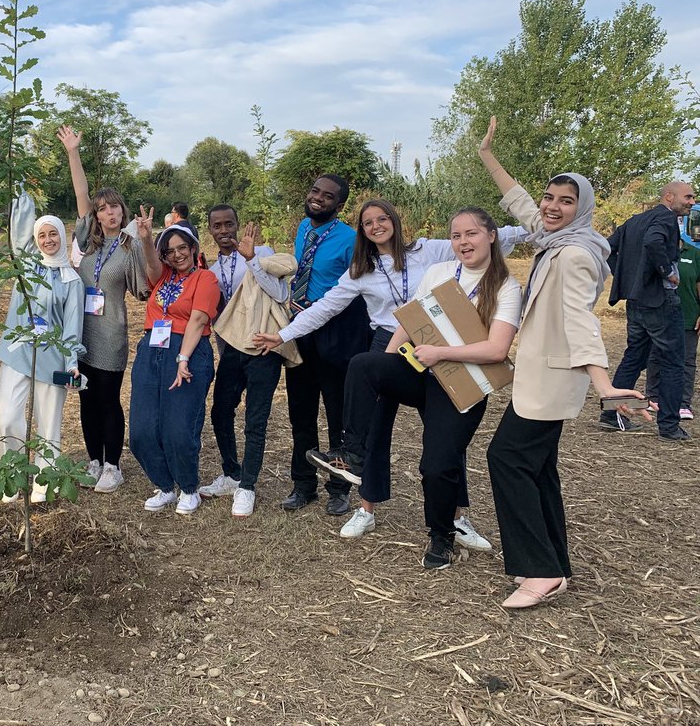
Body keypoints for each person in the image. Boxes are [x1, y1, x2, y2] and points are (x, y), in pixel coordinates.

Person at [254, 198, 527, 547]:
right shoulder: (361, 270)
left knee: (445, 437)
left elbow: (487, 237)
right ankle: (366, 509)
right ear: (362, 232)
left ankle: (457, 518)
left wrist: (541, 228)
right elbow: (324, 308)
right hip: (387, 340)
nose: (377, 226)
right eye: (368, 223)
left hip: (440, 338)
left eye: (382, 218)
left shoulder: (428, 253)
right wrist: (283, 334)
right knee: (374, 430)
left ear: (395, 221)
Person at [478, 116, 646, 609]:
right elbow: (521, 203)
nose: (551, 207)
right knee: (537, 467)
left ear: (582, 209)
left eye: (564, 201)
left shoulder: (574, 255)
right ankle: (554, 564)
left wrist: (605, 384)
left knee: (506, 459)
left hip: (551, 382)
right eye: (550, 198)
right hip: (542, 378)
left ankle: (540, 571)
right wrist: (489, 156)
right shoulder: (555, 237)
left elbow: (580, 322)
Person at [58, 126, 148, 493]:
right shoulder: (87, 241)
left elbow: (144, 287)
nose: (109, 212)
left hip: (110, 334)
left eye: (114, 207)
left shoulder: (130, 247)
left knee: (109, 400)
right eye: (102, 208)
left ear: (122, 211)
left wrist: (147, 240)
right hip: (80, 335)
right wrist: (72, 153)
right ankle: (94, 460)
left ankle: (114, 465)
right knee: (86, 398)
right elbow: (81, 196)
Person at [279, 175, 370, 515]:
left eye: (328, 196)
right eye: (316, 191)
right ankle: (303, 485)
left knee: (336, 413)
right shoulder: (304, 227)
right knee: (300, 412)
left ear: (339, 205)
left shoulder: (351, 239)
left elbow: (356, 289)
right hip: (301, 330)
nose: (318, 198)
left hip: (336, 333)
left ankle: (339, 487)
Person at [202, 215, 299, 518]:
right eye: (217, 226)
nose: (224, 231)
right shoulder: (212, 270)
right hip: (231, 349)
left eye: (229, 224)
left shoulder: (264, 253)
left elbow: (282, 294)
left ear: (237, 224)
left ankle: (248, 485)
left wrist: (252, 260)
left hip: (262, 348)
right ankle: (232, 473)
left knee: (255, 420)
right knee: (220, 412)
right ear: (210, 231)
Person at [0, 194, 86, 502]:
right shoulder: (27, 266)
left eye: (53, 233)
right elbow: (18, 237)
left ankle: (44, 485)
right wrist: (20, 198)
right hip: (19, 350)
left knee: (49, 424)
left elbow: (73, 326)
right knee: (6, 414)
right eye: (42, 235)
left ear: (63, 235)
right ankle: (14, 475)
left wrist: (72, 361)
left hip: (54, 358)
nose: (48, 240)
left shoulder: (72, 280)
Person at [129, 213, 221, 515]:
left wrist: (183, 358)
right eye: (170, 250)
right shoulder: (163, 276)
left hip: (188, 351)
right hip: (151, 349)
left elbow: (198, 320)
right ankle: (166, 486)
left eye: (182, 247)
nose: (177, 254)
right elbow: (152, 266)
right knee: (141, 431)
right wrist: (145, 239)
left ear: (193, 248)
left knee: (179, 429)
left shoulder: (204, 278)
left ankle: (188, 487)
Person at [601, 181, 695, 440]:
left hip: (636, 300)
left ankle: (610, 414)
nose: (691, 202)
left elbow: (606, 247)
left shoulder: (635, 220)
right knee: (674, 362)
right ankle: (669, 427)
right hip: (661, 301)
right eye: (687, 196)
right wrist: (666, 272)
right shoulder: (665, 219)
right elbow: (654, 243)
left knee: (634, 357)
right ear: (669, 196)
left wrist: (627, 276)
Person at [646, 236, 700, 420]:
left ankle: (683, 403)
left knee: (687, 359)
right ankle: (654, 398)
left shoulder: (694, 254)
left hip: (688, 315)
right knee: (655, 356)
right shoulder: (658, 252)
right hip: (659, 314)